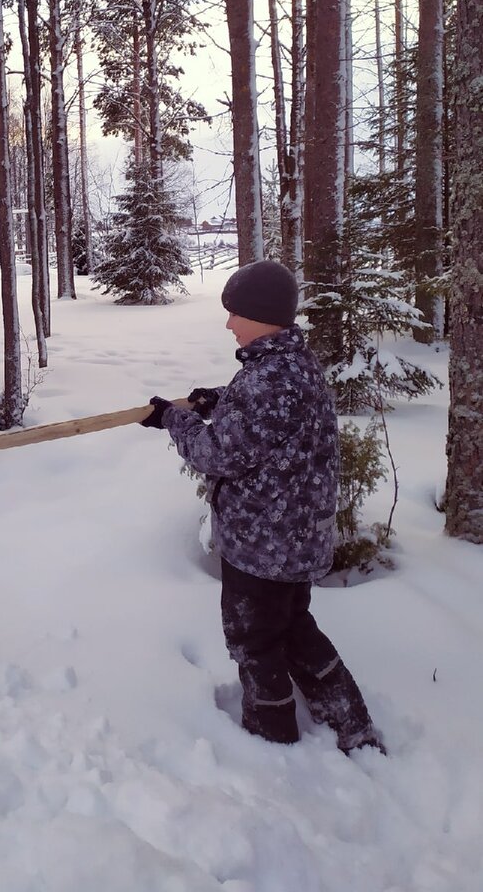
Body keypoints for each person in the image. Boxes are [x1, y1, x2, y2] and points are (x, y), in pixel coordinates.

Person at [141, 259, 384, 754]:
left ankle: (271, 741)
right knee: (293, 629)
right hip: (294, 538)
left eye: (235, 313)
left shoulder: (268, 380)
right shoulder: (290, 363)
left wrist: (174, 420)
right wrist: (217, 402)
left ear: (262, 316)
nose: (228, 323)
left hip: (264, 546)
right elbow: (263, 416)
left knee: (255, 642)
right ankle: (350, 724)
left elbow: (218, 455)